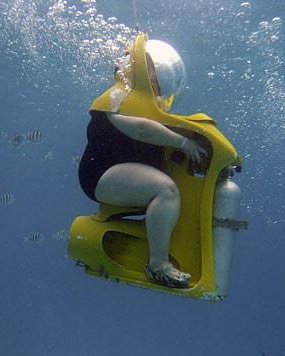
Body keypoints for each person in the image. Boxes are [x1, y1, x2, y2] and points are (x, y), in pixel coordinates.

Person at [78, 44, 207, 289]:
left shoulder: (144, 106)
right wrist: (183, 143)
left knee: (170, 190)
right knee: (165, 190)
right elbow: (140, 129)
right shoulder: (116, 97)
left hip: (119, 171)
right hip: (100, 175)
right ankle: (158, 266)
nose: (156, 81)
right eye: (152, 74)